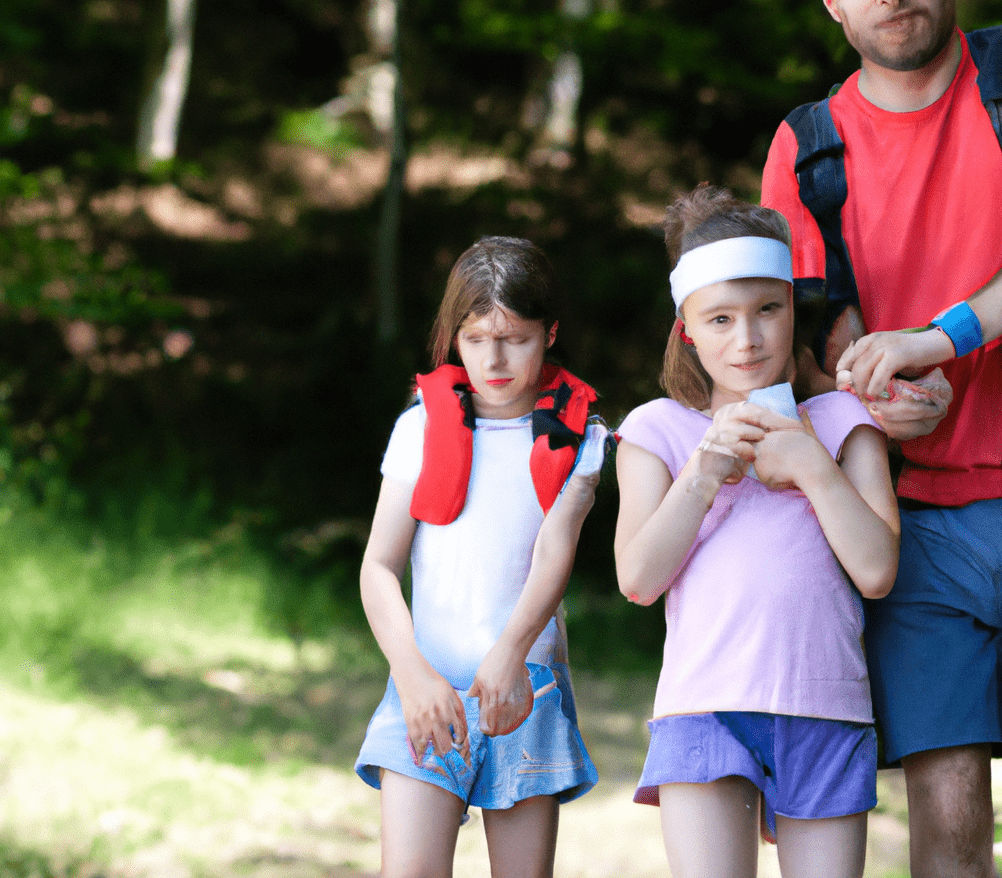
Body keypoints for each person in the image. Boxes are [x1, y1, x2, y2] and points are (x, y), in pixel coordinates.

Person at [761, 0, 1002, 877]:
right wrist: (871, 396)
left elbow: (922, 333)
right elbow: (799, 341)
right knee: (946, 824)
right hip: (911, 527)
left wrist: (937, 338)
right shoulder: (806, 148)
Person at [614, 185, 899, 878]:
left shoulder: (842, 422)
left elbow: (877, 570)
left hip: (826, 706)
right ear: (688, 328)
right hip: (704, 706)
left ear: (792, 309)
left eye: (767, 310)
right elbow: (639, 579)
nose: (747, 339)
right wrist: (707, 468)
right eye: (720, 319)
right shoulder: (659, 431)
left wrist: (809, 463)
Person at [355, 235, 608, 878]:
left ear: (551, 333)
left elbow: (556, 555)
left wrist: (510, 653)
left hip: (526, 686)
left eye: (515, 338)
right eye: (474, 339)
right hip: (425, 684)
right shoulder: (419, 429)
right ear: (453, 338)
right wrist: (410, 675)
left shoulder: (581, 437)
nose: (493, 360)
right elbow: (378, 567)